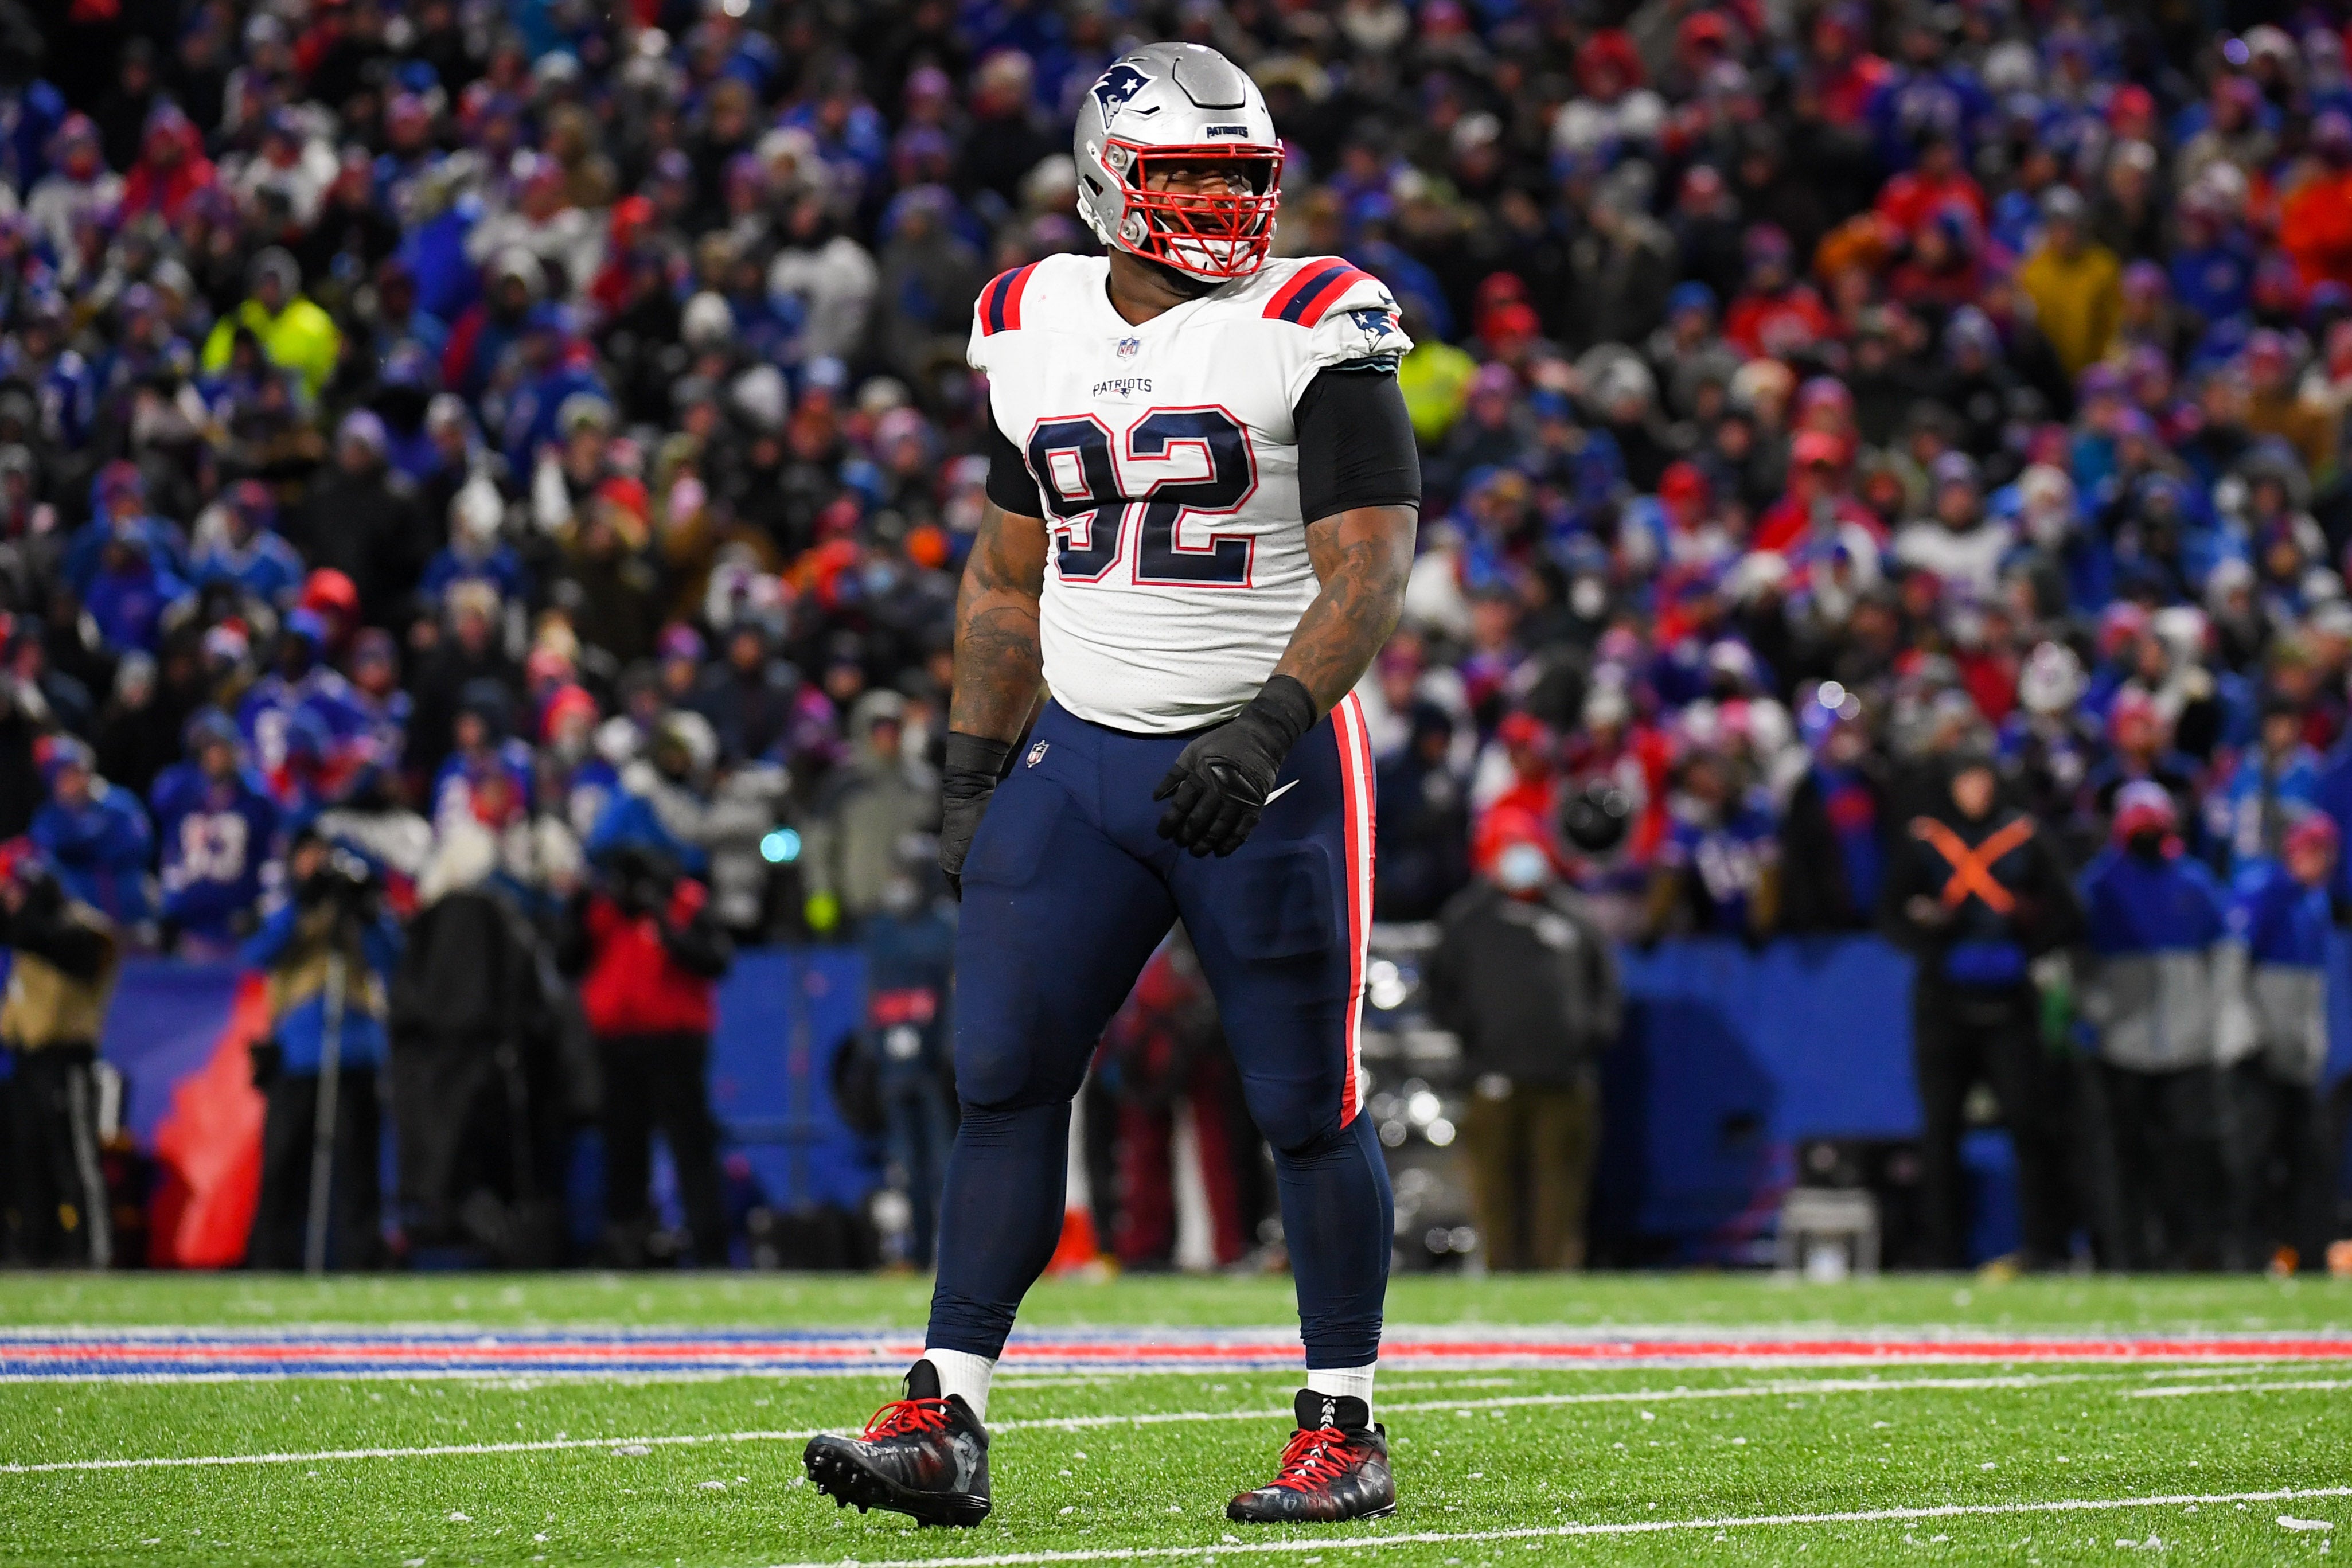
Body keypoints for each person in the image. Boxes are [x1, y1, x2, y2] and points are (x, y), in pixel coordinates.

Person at [805, 44, 1421, 1529]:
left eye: (1236, 174)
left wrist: (1267, 726)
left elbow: (1370, 560)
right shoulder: (1028, 317)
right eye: (1183, 175)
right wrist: (968, 763)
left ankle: (1342, 1419)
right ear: (1103, 184)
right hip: (1075, 755)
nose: (1219, 204)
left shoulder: (1310, 318)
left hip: (1257, 768)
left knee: (1304, 1101)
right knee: (1003, 1079)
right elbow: (1008, 573)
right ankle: (946, 1411)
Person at [1878, 742, 2084, 1270]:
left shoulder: (2022, 837)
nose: (1976, 792)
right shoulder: (1926, 841)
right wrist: (1930, 937)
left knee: (2030, 1128)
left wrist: (2026, 940)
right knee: (1940, 1133)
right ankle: (1944, 1251)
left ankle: (2044, 1245)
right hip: (1944, 1001)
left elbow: (2065, 911)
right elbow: (1890, 912)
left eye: (1982, 780)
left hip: (2009, 1003)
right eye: (1966, 780)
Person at [1425, 808, 1621, 1272]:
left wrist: (1587, 1039)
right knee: (1495, 1198)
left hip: (1564, 1079)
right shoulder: (1466, 920)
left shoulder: (1574, 916)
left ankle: (1552, 1285)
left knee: (1559, 1199)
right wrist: (1476, 1039)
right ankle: (1500, 1280)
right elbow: (1440, 990)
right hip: (1492, 1079)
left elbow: (1605, 989)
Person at [2077, 782, 2233, 1270]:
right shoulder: (2099, 884)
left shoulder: (2194, 881)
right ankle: (2127, 1255)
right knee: (2123, 1159)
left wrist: (2214, 1023)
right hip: (2120, 1043)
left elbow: (2223, 955)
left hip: (2187, 1042)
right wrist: (2094, 1015)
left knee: (2188, 1156)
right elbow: (2076, 957)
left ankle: (2190, 1251)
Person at [559, 842, 733, 1267]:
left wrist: (664, 922)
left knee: (690, 1146)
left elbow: (715, 960)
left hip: (676, 1043)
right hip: (618, 1045)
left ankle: (709, 1247)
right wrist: (577, 913)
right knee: (623, 1147)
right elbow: (568, 960)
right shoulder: (604, 913)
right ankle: (626, 1244)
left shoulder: (685, 904)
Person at [242, 827, 403, 1269]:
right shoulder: (283, 904)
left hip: (354, 1050)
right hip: (296, 1053)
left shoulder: (354, 907)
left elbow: (392, 958)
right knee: (283, 1168)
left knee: (357, 1171)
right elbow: (257, 953)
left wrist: (366, 913)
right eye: (308, 854)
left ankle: (361, 1259)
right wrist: (302, 905)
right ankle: (274, 1261)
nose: (317, 863)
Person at [2217, 810, 2342, 1273]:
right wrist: (2246, 1034)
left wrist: (2312, 1048)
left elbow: (2310, 991)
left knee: (2309, 1158)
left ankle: (2308, 1255)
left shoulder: (2313, 904)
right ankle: (2243, 1255)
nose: (2322, 860)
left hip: (2293, 1055)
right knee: (2250, 1159)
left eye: (2326, 851)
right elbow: (2233, 968)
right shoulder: (2262, 890)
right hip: (2256, 1053)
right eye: (2313, 850)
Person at [0, 839, 121, 1266]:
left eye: (17, 889)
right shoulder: (25, 934)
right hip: (27, 1060)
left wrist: (31, 909)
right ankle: (39, 1253)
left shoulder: (79, 928)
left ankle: (93, 1252)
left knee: (76, 1162)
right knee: (29, 1163)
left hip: (68, 1057)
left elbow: (71, 949)